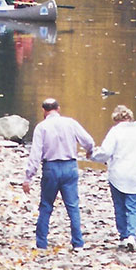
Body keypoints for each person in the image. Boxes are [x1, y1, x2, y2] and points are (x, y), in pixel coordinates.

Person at [22, 98, 95, 250]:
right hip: (70, 167)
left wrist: (28, 177)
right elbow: (88, 141)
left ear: (44, 110)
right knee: (73, 206)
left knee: (46, 206)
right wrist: (89, 151)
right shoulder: (71, 123)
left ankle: (41, 244)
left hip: (51, 168)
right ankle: (78, 243)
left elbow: (35, 154)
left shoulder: (41, 127)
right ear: (58, 109)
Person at [93, 104, 136, 252]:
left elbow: (105, 152)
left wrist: (93, 156)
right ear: (130, 117)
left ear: (115, 119)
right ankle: (131, 236)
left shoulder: (115, 132)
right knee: (133, 207)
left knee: (119, 207)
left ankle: (123, 236)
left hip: (117, 175)